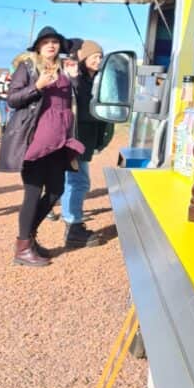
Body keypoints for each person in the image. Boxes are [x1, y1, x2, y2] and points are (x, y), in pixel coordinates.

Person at [0, 26, 84, 267]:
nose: (51, 45)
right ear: (38, 46)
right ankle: (23, 247)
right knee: (33, 193)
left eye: (55, 41)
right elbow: (13, 99)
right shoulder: (28, 68)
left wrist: (76, 78)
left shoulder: (66, 70)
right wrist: (37, 86)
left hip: (59, 141)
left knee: (56, 190)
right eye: (46, 42)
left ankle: (27, 240)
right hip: (34, 140)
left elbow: (79, 100)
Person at [60, 40, 113, 247]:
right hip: (76, 138)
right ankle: (73, 227)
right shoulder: (77, 81)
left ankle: (72, 221)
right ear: (83, 59)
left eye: (100, 56)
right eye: (94, 57)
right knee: (78, 182)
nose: (98, 60)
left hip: (86, 139)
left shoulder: (97, 80)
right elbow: (82, 108)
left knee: (73, 181)